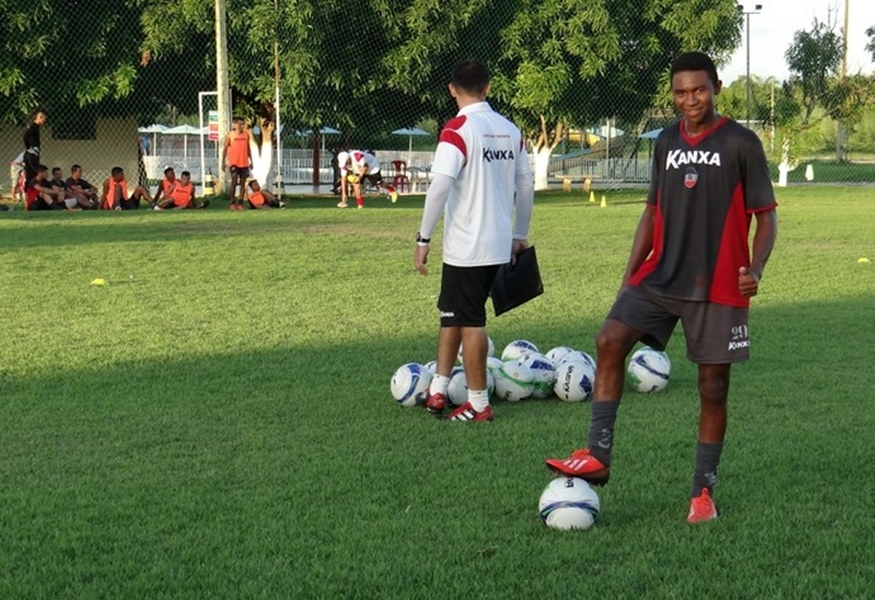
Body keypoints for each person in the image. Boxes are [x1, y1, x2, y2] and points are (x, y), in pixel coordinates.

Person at [544, 51, 778, 524]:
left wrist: (756, 268)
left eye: (699, 90)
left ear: (716, 87)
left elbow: (767, 217)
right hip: (661, 274)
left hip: (719, 284)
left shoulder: (741, 143)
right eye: (680, 92)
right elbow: (652, 210)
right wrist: (630, 274)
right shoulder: (666, 141)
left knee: (713, 387)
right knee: (609, 340)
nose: (690, 100)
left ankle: (702, 494)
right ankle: (599, 455)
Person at [413, 60, 534, 422]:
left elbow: (439, 187)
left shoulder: (457, 130)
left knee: (471, 321)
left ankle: (479, 404)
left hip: (466, 246)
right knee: (451, 315)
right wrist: (519, 234)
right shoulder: (510, 130)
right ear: (489, 87)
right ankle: (438, 390)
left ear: (452, 89)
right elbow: (525, 186)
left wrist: (423, 238)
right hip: (497, 244)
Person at [221, 117, 253, 210]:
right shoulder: (230, 135)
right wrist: (223, 162)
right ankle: (232, 202)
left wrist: (251, 161)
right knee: (234, 181)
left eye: (242, 124)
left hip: (244, 163)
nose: (241, 126)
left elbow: (248, 149)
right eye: (239, 124)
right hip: (234, 163)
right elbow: (225, 149)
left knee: (243, 183)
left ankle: (240, 203)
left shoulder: (246, 135)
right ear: (234, 125)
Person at [23, 109, 48, 182]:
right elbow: (25, 137)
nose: (45, 121)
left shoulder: (35, 127)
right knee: (33, 174)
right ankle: (30, 191)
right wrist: (30, 148)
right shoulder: (33, 127)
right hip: (31, 154)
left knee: (33, 174)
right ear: (40, 117)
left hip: (34, 153)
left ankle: (32, 191)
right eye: (44, 118)